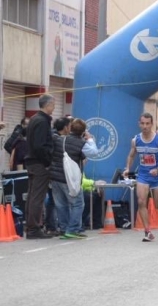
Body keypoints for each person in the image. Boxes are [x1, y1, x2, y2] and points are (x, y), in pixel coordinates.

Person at [124, 113, 158, 242]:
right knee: (141, 201)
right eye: (142, 123)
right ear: (139, 124)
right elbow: (131, 155)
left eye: (147, 124)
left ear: (151, 124)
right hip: (144, 175)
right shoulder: (135, 140)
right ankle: (147, 231)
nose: (145, 126)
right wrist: (128, 168)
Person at [49, 118, 99, 239]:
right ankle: (73, 229)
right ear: (83, 132)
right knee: (78, 204)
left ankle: (64, 228)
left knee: (60, 204)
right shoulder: (81, 143)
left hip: (55, 177)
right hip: (70, 179)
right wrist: (90, 139)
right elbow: (94, 152)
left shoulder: (59, 139)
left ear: (70, 128)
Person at [24, 94, 56, 239]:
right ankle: (34, 228)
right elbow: (40, 145)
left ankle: (30, 226)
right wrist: (47, 161)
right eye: (53, 104)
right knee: (37, 197)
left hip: (32, 162)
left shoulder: (33, 119)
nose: (54, 107)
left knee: (32, 196)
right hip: (39, 163)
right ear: (47, 105)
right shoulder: (42, 121)